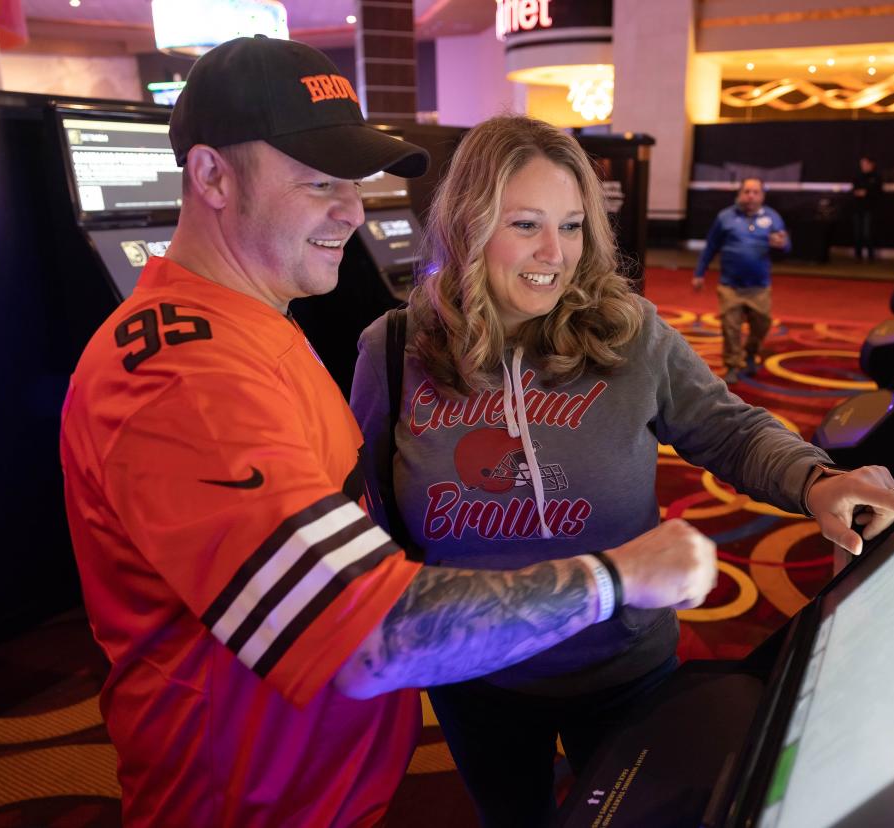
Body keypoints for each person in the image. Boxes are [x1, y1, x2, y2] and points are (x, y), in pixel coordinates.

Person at [58, 37, 721, 828]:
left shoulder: (250, 326)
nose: (351, 211)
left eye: (355, 185)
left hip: (317, 790)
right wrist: (616, 578)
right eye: (320, 183)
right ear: (211, 176)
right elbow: (368, 638)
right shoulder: (187, 381)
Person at [350, 115, 894, 828]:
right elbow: (369, 503)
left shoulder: (630, 332)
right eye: (525, 224)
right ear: (469, 224)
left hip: (622, 669)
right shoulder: (392, 350)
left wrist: (816, 480)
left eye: (571, 226)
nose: (554, 255)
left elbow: (729, 430)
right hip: (477, 675)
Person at [693, 177, 790, 383]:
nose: (751, 196)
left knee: (762, 325)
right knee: (730, 328)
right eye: (747, 191)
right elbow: (711, 247)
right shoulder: (725, 217)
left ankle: (750, 353)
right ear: (739, 194)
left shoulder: (773, 218)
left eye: (755, 192)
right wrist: (699, 273)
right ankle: (731, 365)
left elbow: (786, 247)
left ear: (762, 196)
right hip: (731, 286)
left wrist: (781, 245)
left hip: (759, 287)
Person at [851, 155, 884, 262]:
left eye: (866, 164)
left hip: (870, 209)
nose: (863, 166)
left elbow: (876, 192)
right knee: (857, 232)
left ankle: (870, 256)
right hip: (857, 209)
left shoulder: (876, 177)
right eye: (862, 164)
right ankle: (857, 255)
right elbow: (855, 191)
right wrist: (861, 192)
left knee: (868, 232)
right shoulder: (857, 176)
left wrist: (867, 193)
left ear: (871, 164)